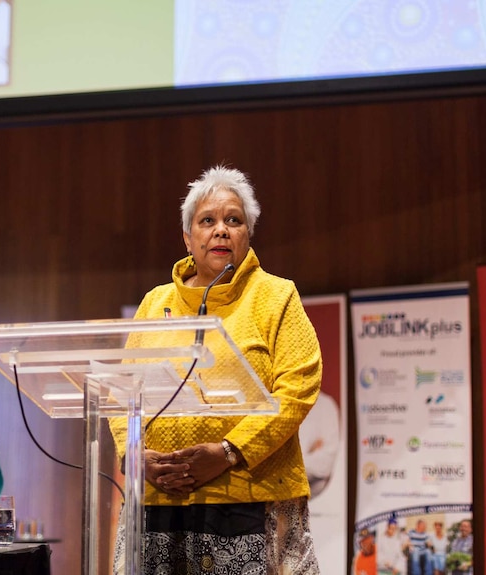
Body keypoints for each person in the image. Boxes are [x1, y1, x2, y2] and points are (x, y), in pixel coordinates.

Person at [109, 165, 323, 574]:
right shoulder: (155, 303)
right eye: (207, 221)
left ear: (248, 233)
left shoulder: (276, 296)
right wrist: (134, 455)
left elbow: (297, 388)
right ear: (188, 237)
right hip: (158, 502)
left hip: (250, 498)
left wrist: (228, 453)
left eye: (233, 220)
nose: (221, 230)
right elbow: (122, 393)